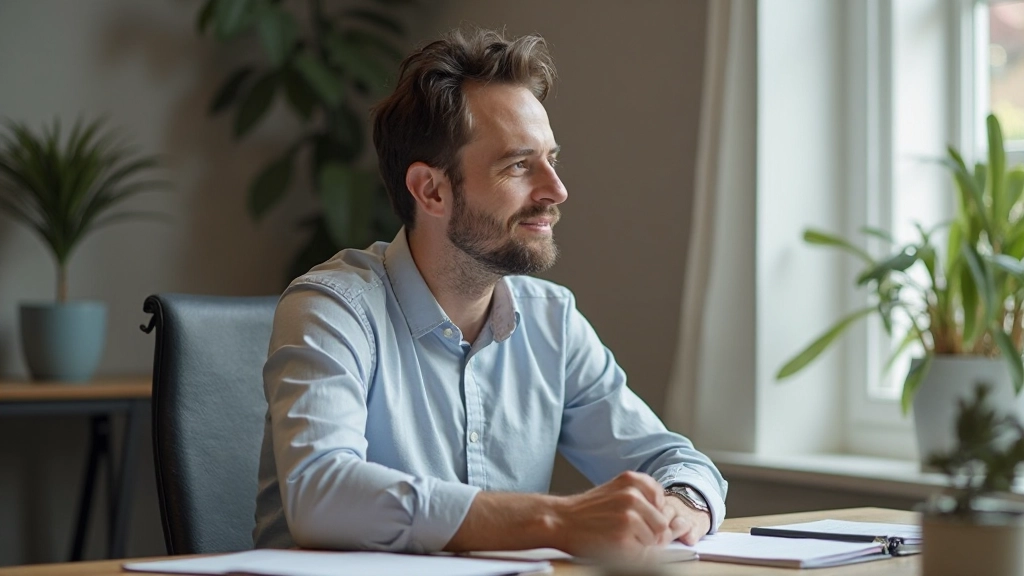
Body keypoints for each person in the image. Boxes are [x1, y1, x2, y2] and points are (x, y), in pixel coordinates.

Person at [252, 26, 727, 558]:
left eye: (551, 159)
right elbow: (322, 494)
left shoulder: (553, 322)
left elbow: (672, 460)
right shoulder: (332, 309)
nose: (556, 190)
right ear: (431, 190)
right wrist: (555, 518)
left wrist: (681, 502)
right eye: (519, 165)